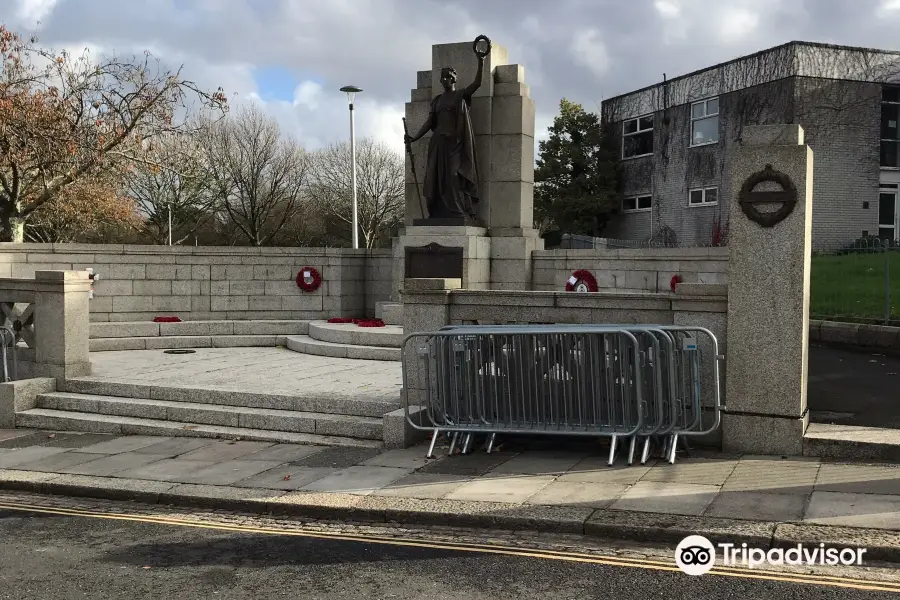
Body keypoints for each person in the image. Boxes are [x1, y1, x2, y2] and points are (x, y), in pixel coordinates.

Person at [404, 38, 490, 220]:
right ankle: (436, 212)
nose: (444, 79)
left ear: (453, 78)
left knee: (453, 176)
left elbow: (477, 84)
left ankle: (459, 211)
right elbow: (429, 122)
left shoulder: (460, 96)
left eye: (447, 76)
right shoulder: (437, 100)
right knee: (435, 178)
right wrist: (415, 138)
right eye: (442, 77)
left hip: (455, 145)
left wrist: (481, 61)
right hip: (438, 144)